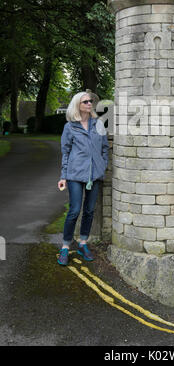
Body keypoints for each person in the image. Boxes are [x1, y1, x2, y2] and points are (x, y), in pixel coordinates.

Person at [57, 92, 109, 266]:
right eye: (85, 101)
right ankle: (65, 246)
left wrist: (102, 166)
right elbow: (65, 152)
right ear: (77, 105)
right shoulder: (70, 127)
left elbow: (104, 148)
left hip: (94, 175)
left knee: (89, 210)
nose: (89, 103)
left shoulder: (99, 124)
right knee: (75, 210)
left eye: (90, 101)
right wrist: (63, 176)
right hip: (75, 175)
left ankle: (83, 243)